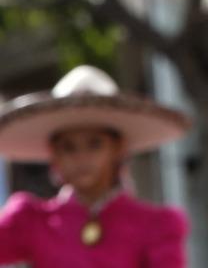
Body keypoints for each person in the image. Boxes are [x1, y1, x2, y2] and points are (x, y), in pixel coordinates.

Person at [0, 65, 190, 267]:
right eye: (68, 147)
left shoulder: (157, 225)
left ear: (118, 148)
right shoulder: (30, 221)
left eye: (95, 144)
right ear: (53, 154)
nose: (81, 158)